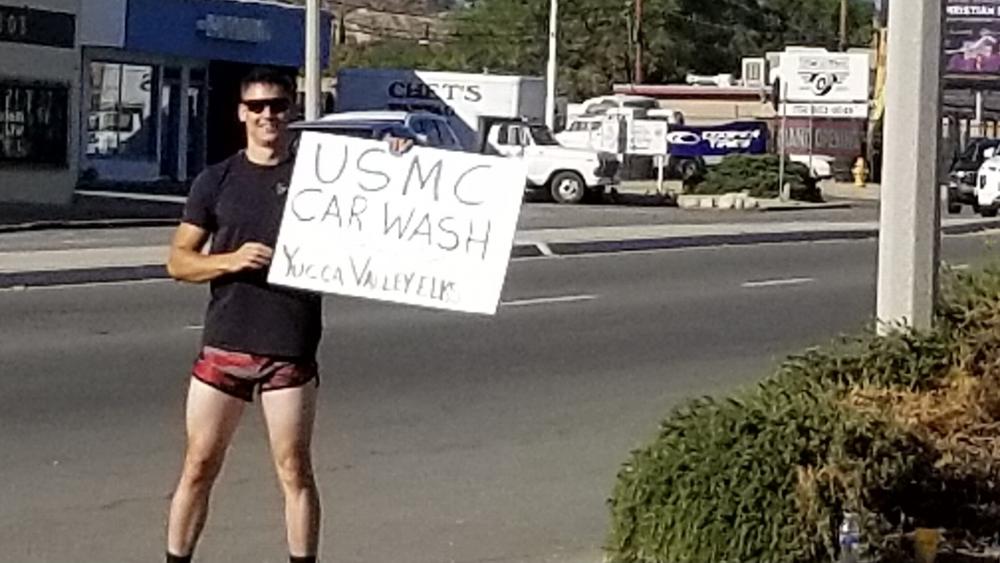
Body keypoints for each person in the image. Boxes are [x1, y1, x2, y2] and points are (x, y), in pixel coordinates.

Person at [164, 67, 412, 563]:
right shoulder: (217, 180)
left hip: (289, 345)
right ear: (241, 113)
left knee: (294, 469)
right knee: (198, 465)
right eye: (256, 107)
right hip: (225, 344)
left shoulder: (320, 176)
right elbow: (178, 261)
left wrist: (395, 160)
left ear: (291, 110)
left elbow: (385, 208)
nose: (267, 115)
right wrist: (229, 260)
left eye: (276, 105)